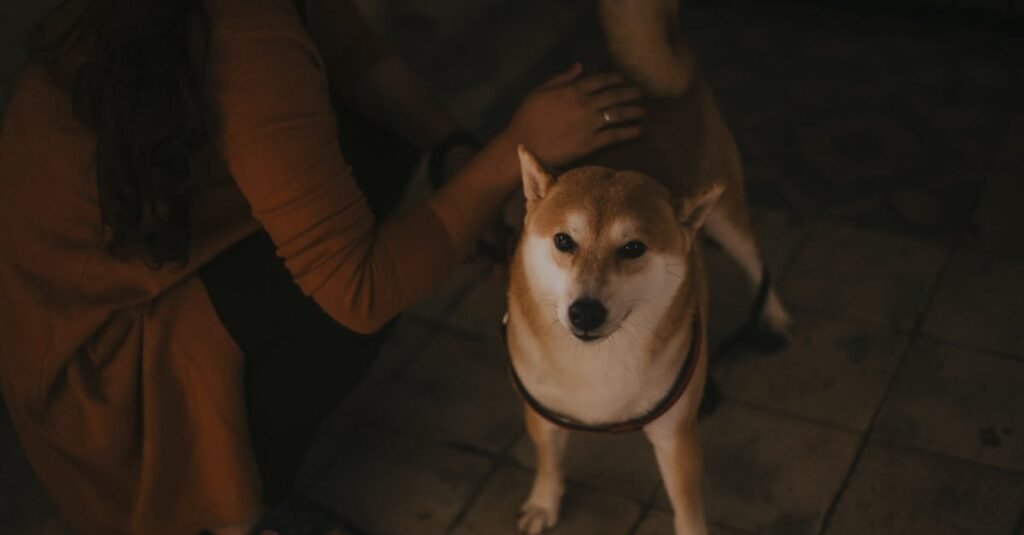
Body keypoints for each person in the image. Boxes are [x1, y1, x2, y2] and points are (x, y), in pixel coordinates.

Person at [0, 0, 645, 533]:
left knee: (377, 152)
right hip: (100, 374)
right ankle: (238, 510)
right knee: (358, 283)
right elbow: (362, 290)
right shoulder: (246, 36)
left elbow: (348, 47)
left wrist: (453, 151)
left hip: (111, 284)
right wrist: (511, 153)